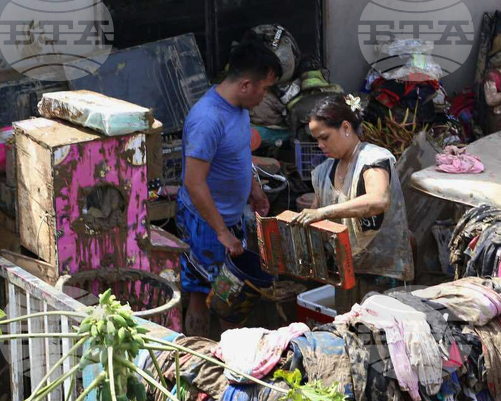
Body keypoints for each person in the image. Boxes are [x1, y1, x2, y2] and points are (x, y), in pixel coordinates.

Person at [176, 39, 282, 336]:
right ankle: (196, 359)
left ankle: (230, 357)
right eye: (264, 88)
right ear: (246, 84)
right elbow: (194, 182)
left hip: (229, 216)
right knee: (203, 293)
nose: (265, 96)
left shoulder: (240, 108)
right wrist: (221, 231)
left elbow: (239, 154)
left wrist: (254, 188)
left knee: (229, 294)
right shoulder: (207, 119)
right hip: (203, 221)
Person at [293, 94, 415, 310]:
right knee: (348, 331)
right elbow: (316, 218)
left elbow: (378, 200)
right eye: (316, 140)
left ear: (346, 127)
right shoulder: (323, 172)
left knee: (384, 336)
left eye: (325, 137)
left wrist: (323, 212)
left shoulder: (374, 159)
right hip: (346, 271)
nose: (320, 145)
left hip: (383, 273)